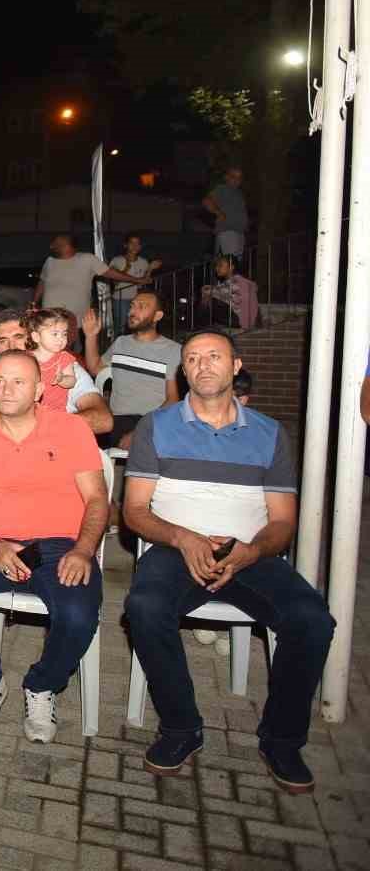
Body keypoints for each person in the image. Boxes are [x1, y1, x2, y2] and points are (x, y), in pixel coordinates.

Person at [123, 330, 331, 794]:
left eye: (214, 356)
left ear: (235, 366)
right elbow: (134, 512)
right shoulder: (156, 426)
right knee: (144, 606)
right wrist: (183, 538)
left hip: (250, 552)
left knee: (312, 618)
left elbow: (283, 521)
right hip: (176, 549)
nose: (203, 365)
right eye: (193, 358)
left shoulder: (269, 433)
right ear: (184, 371)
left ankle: (282, 740)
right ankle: (181, 728)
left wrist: (250, 551)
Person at [0, 350, 109, 742]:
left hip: (62, 546)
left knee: (78, 614)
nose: (6, 389)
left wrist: (83, 550)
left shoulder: (71, 429)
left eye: (18, 381)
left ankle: (42, 685)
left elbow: (97, 499)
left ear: (38, 390)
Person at [0, 311, 113, 436]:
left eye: (18, 337)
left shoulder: (64, 368)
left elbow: (103, 420)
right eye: (3, 341)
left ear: (33, 338)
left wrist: (40, 429)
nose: (11, 346)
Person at [81, 292, 180, 449]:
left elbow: (173, 401)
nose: (132, 311)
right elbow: (95, 369)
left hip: (151, 421)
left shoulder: (173, 350)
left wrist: (142, 430)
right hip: (116, 420)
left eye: (142, 307)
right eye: (132, 306)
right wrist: (91, 336)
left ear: (157, 316)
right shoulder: (121, 343)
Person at [34, 235, 142, 322]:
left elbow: (111, 273)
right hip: (49, 317)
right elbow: (42, 282)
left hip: (76, 320)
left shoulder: (87, 259)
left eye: (56, 244)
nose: (51, 247)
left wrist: (137, 280)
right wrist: (34, 302)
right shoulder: (49, 261)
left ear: (67, 245)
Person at [26, 308, 81, 415]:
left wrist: (62, 379)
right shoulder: (26, 358)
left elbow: (72, 381)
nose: (61, 339)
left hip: (56, 412)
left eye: (64, 334)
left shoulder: (64, 358)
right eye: (55, 334)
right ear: (36, 337)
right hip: (30, 412)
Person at [106, 236, 161, 334]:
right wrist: (126, 268)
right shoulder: (117, 260)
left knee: (137, 325)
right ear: (126, 245)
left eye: (138, 244)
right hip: (121, 298)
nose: (135, 246)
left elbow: (143, 282)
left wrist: (150, 269)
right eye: (132, 243)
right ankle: (118, 342)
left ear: (140, 247)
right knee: (121, 327)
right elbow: (114, 283)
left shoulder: (143, 262)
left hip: (137, 299)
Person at [201, 254, 258, 330]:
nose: (216, 268)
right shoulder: (230, 282)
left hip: (241, 320)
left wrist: (210, 292)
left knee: (212, 300)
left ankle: (203, 327)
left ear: (231, 267)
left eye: (220, 265)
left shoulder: (240, 282)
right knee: (208, 299)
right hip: (236, 318)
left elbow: (226, 294)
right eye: (216, 266)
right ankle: (204, 327)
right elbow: (222, 291)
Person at [202, 166, 248, 257]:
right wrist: (218, 212)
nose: (237, 180)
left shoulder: (239, 193)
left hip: (239, 234)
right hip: (228, 233)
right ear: (226, 177)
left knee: (234, 263)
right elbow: (206, 201)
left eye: (239, 177)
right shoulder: (222, 189)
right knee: (228, 261)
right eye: (233, 176)